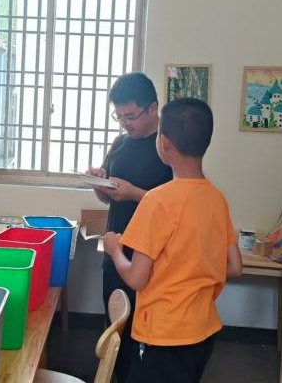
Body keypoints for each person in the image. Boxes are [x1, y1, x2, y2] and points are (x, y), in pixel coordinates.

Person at [104, 98, 243, 383]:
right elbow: (234, 267)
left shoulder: (157, 201)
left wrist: (115, 250)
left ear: (164, 143)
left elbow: (137, 278)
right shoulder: (217, 199)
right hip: (203, 331)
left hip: (162, 334)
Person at [86, 72, 173, 382]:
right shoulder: (120, 143)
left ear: (153, 109)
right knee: (115, 325)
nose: (124, 123)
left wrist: (134, 193)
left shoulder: (168, 147)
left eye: (131, 116)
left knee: (146, 333)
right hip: (117, 247)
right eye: (119, 116)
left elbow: (176, 206)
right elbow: (108, 198)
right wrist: (99, 183)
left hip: (153, 257)